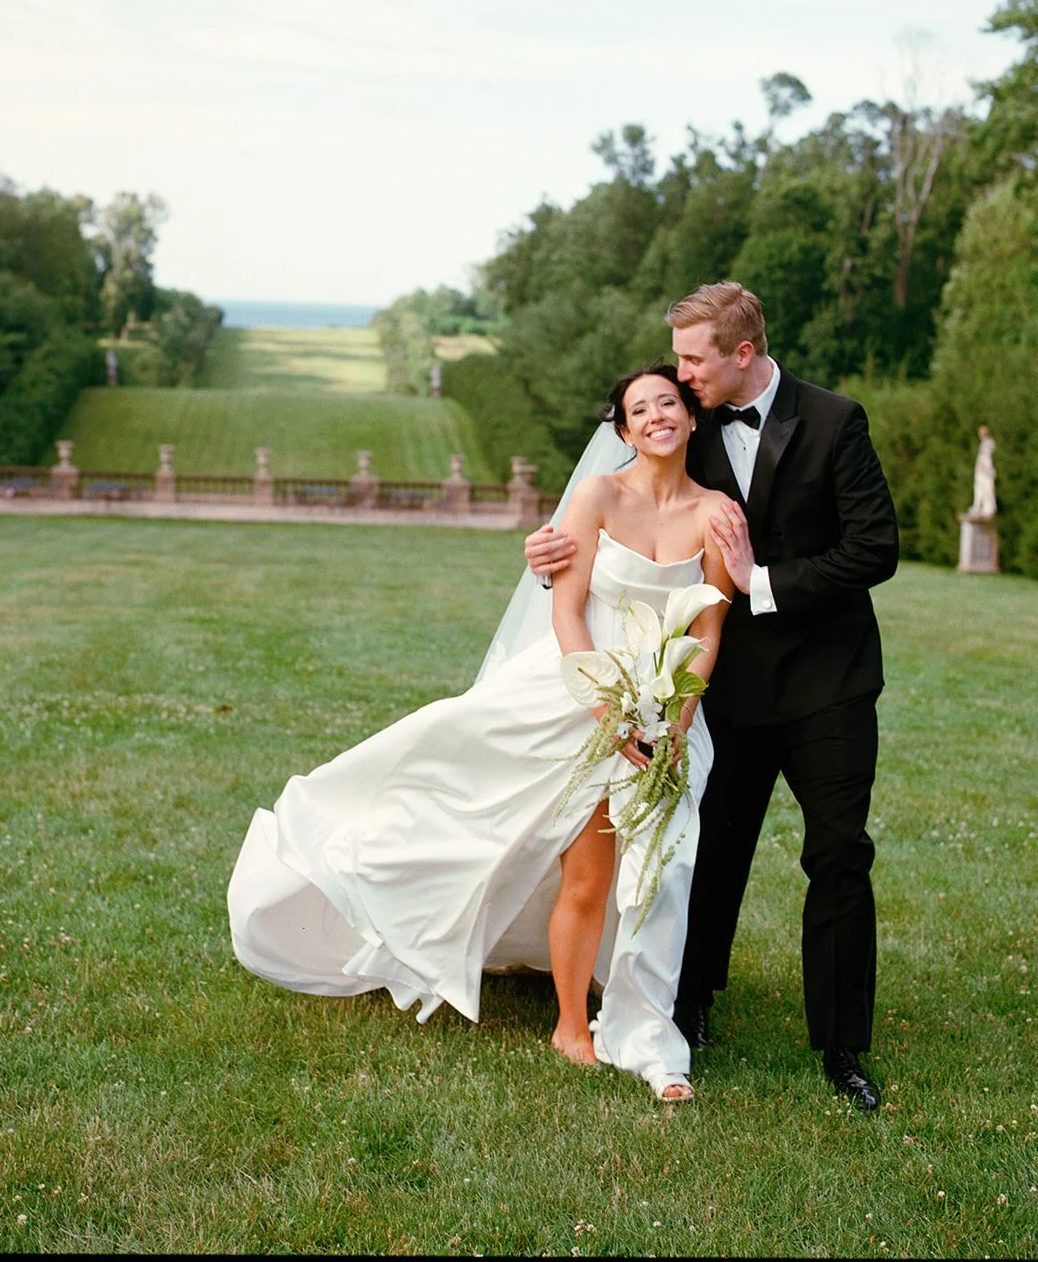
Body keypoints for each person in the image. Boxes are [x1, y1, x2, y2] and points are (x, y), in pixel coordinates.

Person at [228, 366, 733, 1102]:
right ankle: (571, 1025)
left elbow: (709, 630)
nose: (657, 416)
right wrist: (608, 711)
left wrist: (676, 718)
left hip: (671, 711)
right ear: (622, 431)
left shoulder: (715, 512)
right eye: (639, 409)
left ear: (690, 418)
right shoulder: (596, 497)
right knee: (587, 874)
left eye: (669, 403)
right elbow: (567, 613)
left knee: (658, 879)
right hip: (583, 697)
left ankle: (650, 1035)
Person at [526, 282, 899, 1111]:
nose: (682, 376)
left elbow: (875, 549)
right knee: (709, 854)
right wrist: (549, 545)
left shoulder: (836, 422)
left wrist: (761, 581)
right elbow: (626, 488)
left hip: (827, 683)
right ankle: (687, 1007)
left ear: (741, 354)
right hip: (712, 688)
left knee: (838, 854)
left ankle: (842, 1046)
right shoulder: (684, 423)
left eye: (694, 360)